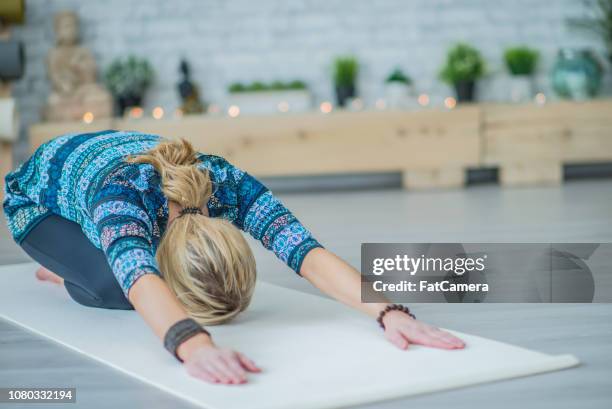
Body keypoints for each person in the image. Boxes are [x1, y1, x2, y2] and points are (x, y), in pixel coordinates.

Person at [3, 130, 465, 385]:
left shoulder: (226, 186)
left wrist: (388, 312)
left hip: (102, 165)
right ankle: (62, 268)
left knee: (126, 266)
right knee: (115, 286)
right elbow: (140, 277)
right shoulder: (121, 201)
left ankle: (83, 257)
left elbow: (306, 251)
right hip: (35, 202)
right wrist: (193, 343)